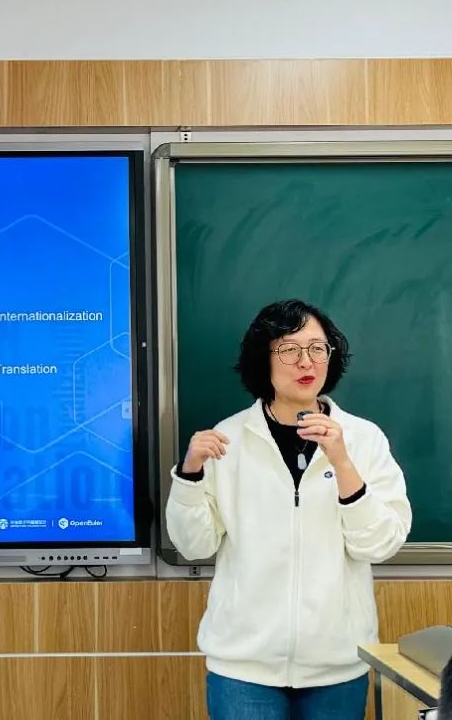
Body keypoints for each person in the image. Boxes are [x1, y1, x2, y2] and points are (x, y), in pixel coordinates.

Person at [166, 299, 412, 720]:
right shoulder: (229, 439)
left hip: (337, 665)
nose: (306, 361)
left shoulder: (363, 438)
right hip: (243, 667)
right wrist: (189, 475)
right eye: (289, 349)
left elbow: (380, 544)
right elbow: (194, 545)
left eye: (317, 348)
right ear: (263, 359)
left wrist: (342, 462)